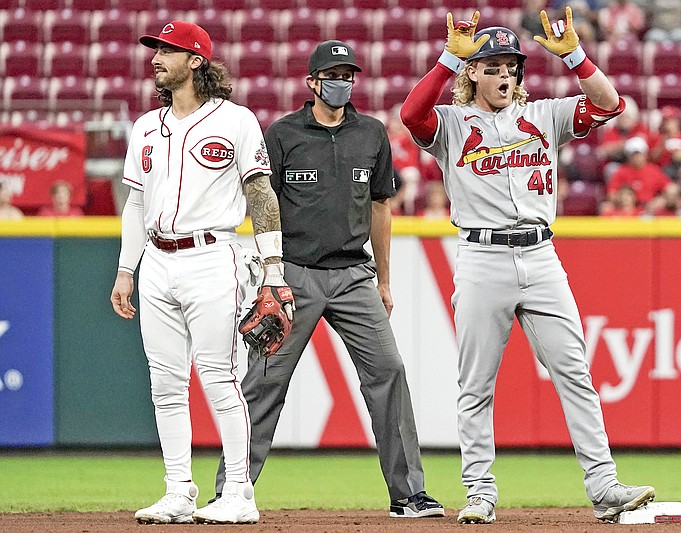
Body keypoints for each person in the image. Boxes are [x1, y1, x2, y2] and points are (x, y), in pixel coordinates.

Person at [400, 8, 655, 524]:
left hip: (541, 257)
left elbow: (609, 104)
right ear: (473, 72)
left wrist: (576, 57)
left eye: (510, 66)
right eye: (492, 66)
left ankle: (604, 487)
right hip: (481, 257)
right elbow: (411, 114)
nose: (504, 75)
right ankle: (479, 492)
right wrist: (452, 56)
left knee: (574, 371)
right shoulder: (452, 123)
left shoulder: (543, 115)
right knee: (477, 384)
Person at [211, 39, 445, 520]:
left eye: (348, 75)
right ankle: (231, 490)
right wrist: (267, 274)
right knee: (262, 383)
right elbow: (262, 203)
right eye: (333, 75)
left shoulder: (373, 134)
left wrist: (383, 278)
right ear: (312, 81)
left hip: (354, 275)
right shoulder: (282, 134)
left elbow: (382, 206)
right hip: (293, 274)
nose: (342, 82)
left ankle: (409, 494)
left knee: (389, 370)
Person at [109, 20, 284, 525]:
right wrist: (126, 270)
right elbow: (135, 205)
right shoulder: (146, 126)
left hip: (213, 257)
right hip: (157, 263)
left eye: (168, 50)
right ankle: (178, 491)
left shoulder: (236, 120)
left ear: (197, 61)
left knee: (219, 379)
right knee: (165, 385)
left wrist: (273, 267)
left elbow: (261, 195)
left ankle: (239, 494)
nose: (156, 58)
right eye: (156, 49)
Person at [607, 136, 678, 214]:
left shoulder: (653, 170)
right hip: (629, 209)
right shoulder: (621, 172)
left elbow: (671, 188)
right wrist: (624, 201)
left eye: (640, 154)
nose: (637, 157)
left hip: (649, 209)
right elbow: (612, 194)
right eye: (634, 154)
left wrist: (662, 199)